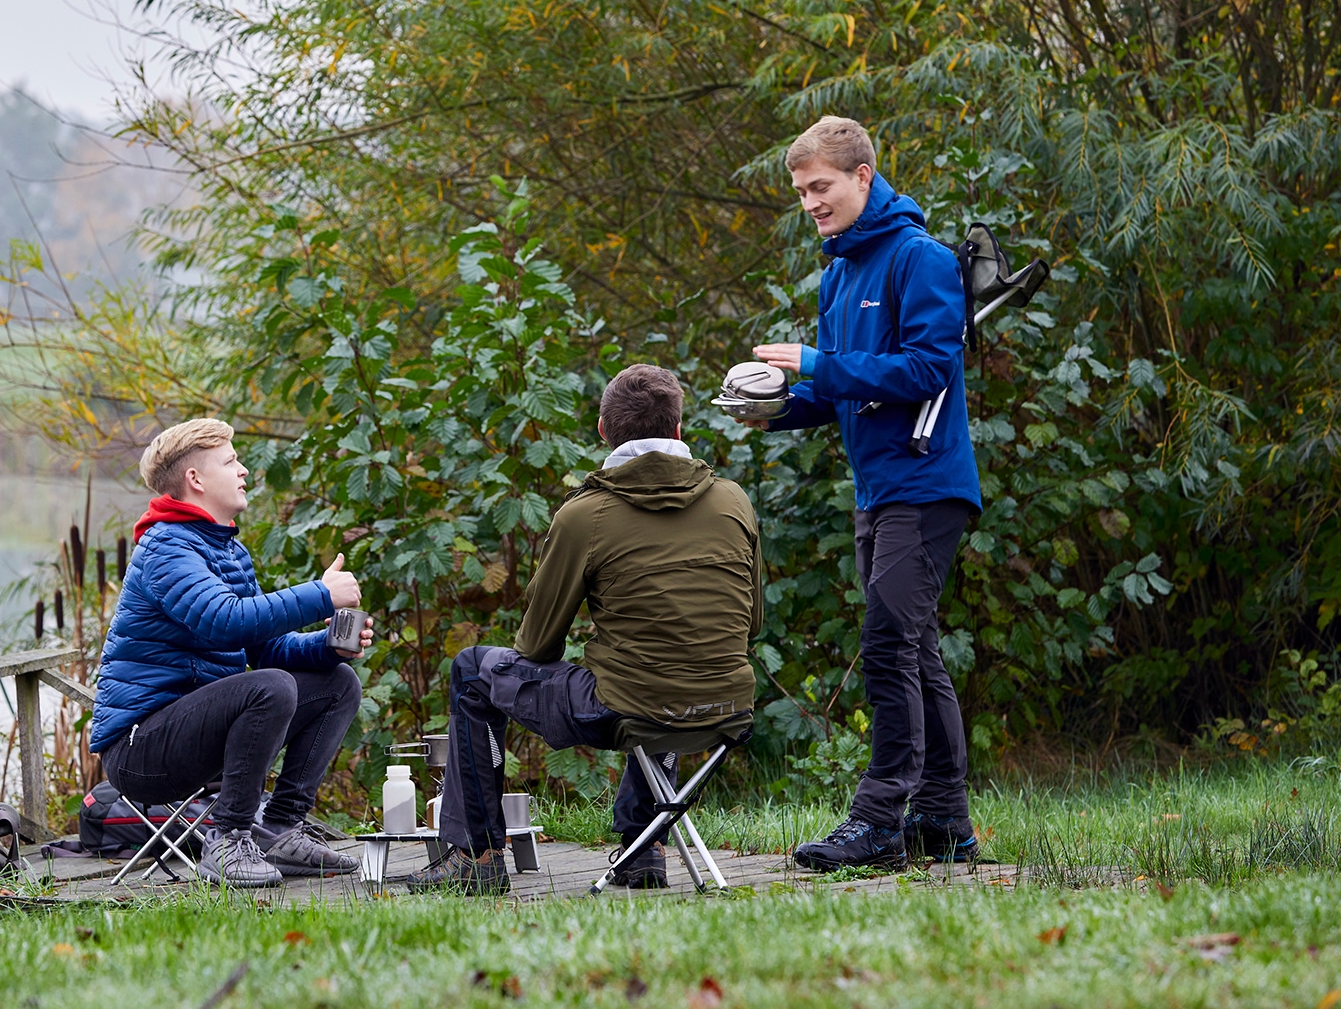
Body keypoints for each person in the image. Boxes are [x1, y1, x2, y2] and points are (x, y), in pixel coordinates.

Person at [405, 364, 763, 895]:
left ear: (603, 430)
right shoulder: (734, 501)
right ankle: (646, 848)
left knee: (473, 671)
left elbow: (536, 645)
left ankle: (477, 857)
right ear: (680, 430)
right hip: (727, 707)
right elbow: (752, 622)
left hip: (629, 707)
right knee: (666, 665)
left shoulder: (586, 514)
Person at [746, 115, 983, 872]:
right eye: (802, 191)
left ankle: (879, 818)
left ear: (862, 177)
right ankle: (945, 820)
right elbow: (841, 389)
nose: (810, 202)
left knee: (886, 645)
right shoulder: (840, 269)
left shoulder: (920, 258)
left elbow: (925, 372)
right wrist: (775, 406)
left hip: (928, 482)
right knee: (914, 650)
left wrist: (816, 361)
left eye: (820, 186)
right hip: (875, 488)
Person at [90, 418, 371, 888]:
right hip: (140, 749)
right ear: (195, 480)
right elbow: (223, 620)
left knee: (338, 685)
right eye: (231, 461)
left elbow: (265, 650)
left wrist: (327, 647)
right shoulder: (165, 547)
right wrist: (320, 595)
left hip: (197, 732)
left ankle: (280, 828)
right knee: (271, 688)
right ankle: (230, 838)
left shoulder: (228, 551)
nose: (243, 470)